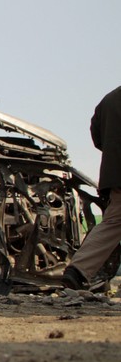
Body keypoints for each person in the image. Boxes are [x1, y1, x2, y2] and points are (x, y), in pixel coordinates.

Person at [63, 85, 121, 290]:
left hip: (115, 174)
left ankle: (77, 270)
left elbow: (97, 136)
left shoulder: (109, 99)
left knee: (112, 223)